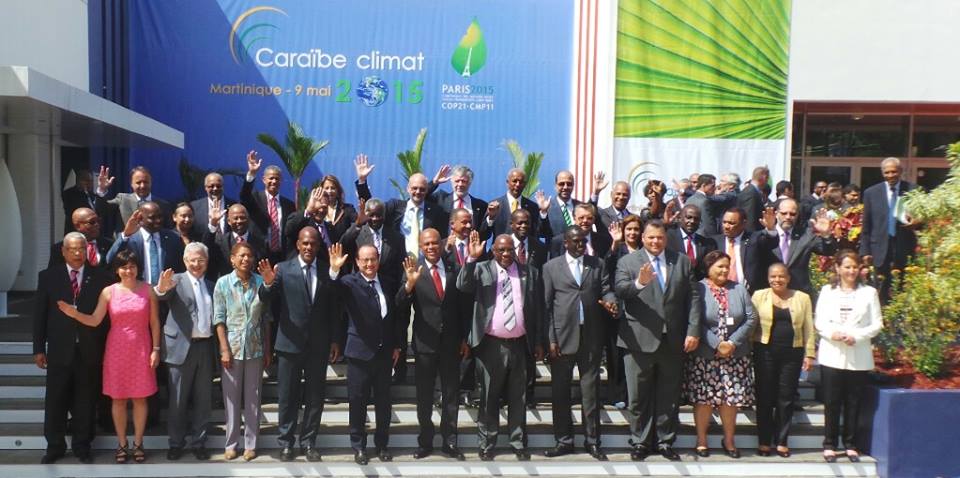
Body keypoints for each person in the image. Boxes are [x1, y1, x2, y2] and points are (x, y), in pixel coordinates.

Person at [56, 249, 160, 464]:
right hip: (116, 350)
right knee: (118, 398)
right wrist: (74, 314)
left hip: (141, 348)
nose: (128, 271)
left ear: (138, 268)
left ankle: (138, 443)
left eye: (132, 266)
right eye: (124, 267)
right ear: (117, 270)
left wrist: (156, 349)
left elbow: (155, 322)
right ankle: (122, 444)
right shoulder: (108, 292)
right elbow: (95, 320)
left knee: (140, 398)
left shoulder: (148, 290)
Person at [614, 220, 701, 462]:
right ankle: (640, 442)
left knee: (669, 396)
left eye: (660, 238)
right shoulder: (627, 261)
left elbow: (693, 298)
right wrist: (640, 283)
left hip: (672, 339)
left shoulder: (681, 261)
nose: (655, 242)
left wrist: (693, 330)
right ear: (642, 238)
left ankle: (665, 441)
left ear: (666, 238)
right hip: (638, 340)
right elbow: (620, 290)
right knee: (638, 396)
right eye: (651, 237)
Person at [457, 232, 544, 462]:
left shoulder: (529, 272)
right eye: (501, 250)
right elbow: (462, 285)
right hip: (491, 345)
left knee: (519, 397)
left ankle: (518, 442)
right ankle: (487, 444)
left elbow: (537, 309)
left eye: (510, 250)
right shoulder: (481, 269)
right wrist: (471, 259)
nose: (506, 254)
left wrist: (538, 341)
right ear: (493, 251)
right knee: (489, 396)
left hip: (520, 344)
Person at [33, 232, 112, 464]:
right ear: (63, 251)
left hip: (89, 349)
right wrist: (39, 348)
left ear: (87, 250)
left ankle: (82, 446)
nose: (77, 253)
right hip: (59, 348)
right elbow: (40, 315)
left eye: (81, 249)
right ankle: (55, 446)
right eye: (72, 249)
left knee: (85, 400)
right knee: (55, 400)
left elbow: (106, 320)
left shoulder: (102, 277)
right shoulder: (48, 276)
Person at [266, 227, 341, 462]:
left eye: (313, 243)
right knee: (287, 396)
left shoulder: (328, 270)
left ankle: (308, 442)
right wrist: (267, 285)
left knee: (315, 396)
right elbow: (266, 300)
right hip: (289, 344)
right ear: (298, 244)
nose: (309, 247)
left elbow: (335, 307)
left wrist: (335, 339)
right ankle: (286, 443)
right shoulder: (283, 269)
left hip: (318, 344)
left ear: (319, 246)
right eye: (305, 243)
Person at [542, 227, 617, 461]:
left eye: (583, 241)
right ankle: (563, 441)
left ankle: (592, 441)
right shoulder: (551, 267)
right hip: (562, 337)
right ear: (565, 243)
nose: (580, 245)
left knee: (590, 392)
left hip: (591, 336)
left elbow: (606, 290)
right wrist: (550, 339)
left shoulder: (597, 264)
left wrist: (611, 301)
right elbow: (546, 306)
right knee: (560, 392)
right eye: (575, 241)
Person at [397, 229, 469, 460]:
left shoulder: (454, 268)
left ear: (442, 243)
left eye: (434, 243)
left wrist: (465, 338)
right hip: (425, 344)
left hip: (451, 343)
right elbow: (399, 304)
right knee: (425, 396)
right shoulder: (413, 270)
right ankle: (425, 442)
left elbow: (463, 307)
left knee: (451, 394)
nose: (430, 247)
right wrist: (409, 285)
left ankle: (450, 441)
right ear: (420, 246)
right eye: (426, 244)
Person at [328, 242, 402, 465]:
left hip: (384, 353)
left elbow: (394, 316)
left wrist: (396, 345)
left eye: (373, 259)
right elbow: (332, 291)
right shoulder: (349, 282)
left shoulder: (387, 282)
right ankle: (359, 446)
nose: (369, 264)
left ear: (378, 261)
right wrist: (334, 270)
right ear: (358, 262)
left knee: (383, 403)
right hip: (359, 353)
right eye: (365, 260)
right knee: (357, 402)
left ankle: (382, 444)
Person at [684, 250, 757, 459]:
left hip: (735, 355)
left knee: (730, 400)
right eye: (720, 266)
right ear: (708, 268)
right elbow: (694, 319)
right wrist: (717, 344)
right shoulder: (698, 288)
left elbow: (751, 318)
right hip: (706, 355)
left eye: (727, 266)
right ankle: (701, 440)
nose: (725, 270)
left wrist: (732, 343)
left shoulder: (739, 289)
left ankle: (729, 440)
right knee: (704, 399)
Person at [815, 250, 883, 463]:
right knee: (832, 401)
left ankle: (850, 444)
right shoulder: (827, 291)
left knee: (853, 401)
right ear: (837, 268)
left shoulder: (869, 292)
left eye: (854, 267)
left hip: (858, 353)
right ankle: (829, 444)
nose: (851, 271)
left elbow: (877, 324)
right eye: (847, 266)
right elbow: (819, 321)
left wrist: (857, 336)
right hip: (832, 353)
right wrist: (832, 334)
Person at [154, 243, 215, 461]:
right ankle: (176, 443)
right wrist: (161, 288)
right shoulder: (176, 280)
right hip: (180, 347)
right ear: (185, 261)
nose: (196, 264)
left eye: (201, 260)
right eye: (192, 260)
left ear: (207, 262)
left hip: (205, 346)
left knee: (203, 399)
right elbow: (161, 295)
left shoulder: (211, 284)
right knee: (178, 400)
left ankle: (199, 442)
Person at [213, 243, 274, 461]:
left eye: (249, 255)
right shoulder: (223, 283)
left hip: (255, 348)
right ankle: (231, 443)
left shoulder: (260, 282)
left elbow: (267, 319)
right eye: (241, 255)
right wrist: (224, 349)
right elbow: (219, 318)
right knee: (231, 399)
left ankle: (251, 444)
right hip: (232, 349)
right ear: (232, 259)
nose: (246, 259)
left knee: (253, 398)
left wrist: (267, 348)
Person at [751, 263, 816, 458]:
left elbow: (808, 328)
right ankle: (764, 441)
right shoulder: (759, 296)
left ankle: (781, 441)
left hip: (792, 354)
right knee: (764, 397)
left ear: (788, 278)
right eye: (773, 276)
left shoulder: (802, 298)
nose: (777, 280)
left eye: (781, 276)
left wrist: (810, 354)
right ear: (768, 278)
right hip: (764, 352)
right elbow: (750, 324)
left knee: (786, 398)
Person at [859, 157, 917, 301]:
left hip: (904, 247)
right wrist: (865, 251)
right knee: (880, 290)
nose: (890, 175)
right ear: (882, 173)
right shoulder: (871, 193)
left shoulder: (913, 190)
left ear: (901, 171)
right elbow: (866, 225)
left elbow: (923, 218)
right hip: (879, 249)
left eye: (894, 172)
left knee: (903, 289)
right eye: (887, 172)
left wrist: (917, 222)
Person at [761, 198, 837, 295]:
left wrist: (826, 234)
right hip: (771, 293)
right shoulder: (764, 236)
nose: (788, 217)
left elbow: (829, 251)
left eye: (792, 214)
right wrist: (769, 231)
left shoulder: (806, 235)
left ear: (797, 215)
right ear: (776, 214)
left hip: (799, 293)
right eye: (784, 213)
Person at [105, 202, 186, 285]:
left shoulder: (173, 238)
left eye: (160, 216)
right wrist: (126, 235)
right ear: (140, 219)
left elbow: (182, 267)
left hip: (168, 290)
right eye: (152, 218)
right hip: (138, 290)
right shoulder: (129, 239)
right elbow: (109, 260)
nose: (158, 220)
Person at [241, 151, 296, 265]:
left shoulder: (289, 205)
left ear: (281, 181)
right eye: (271, 178)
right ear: (264, 179)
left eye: (277, 178)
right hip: (259, 255)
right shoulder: (255, 198)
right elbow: (244, 196)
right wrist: (251, 174)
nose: (274, 181)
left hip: (282, 257)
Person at [710, 207, 778, 294]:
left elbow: (771, 242)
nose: (726, 226)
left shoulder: (754, 239)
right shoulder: (714, 242)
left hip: (750, 294)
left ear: (743, 223)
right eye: (724, 222)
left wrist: (771, 229)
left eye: (731, 223)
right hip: (722, 293)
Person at [94, 165, 173, 230]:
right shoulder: (123, 199)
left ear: (151, 182)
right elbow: (101, 210)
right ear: (131, 184)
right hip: (126, 243)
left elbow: (168, 230)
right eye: (138, 183)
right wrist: (102, 189)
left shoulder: (162, 205)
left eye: (146, 182)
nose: (142, 186)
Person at [203, 204, 268, 279]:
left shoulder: (260, 243)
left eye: (242, 218)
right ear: (229, 221)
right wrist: (213, 224)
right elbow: (206, 248)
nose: (239, 221)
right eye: (236, 218)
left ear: (248, 219)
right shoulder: (221, 241)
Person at [428, 165, 491, 240]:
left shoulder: (481, 206)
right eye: (457, 181)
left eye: (464, 181)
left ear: (470, 183)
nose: (460, 184)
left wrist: (491, 219)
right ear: (451, 181)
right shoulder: (440, 199)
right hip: (445, 246)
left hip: (469, 246)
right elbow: (421, 197)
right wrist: (434, 183)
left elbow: (485, 234)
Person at [48, 208, 113, 270]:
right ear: (78, 226)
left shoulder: (110, 245)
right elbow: (53, 274)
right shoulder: (60, 249)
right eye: (92, 222)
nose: (97, 225)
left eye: (98, 221)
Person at [488, 168, 544, 238]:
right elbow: (485, 234)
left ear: (525, 184)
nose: (518, 184)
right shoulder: (495, 206)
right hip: (502, 244)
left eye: (521, 182)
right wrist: (491, 218)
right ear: (507, 182)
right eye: (514, 181)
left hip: (524, 245)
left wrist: (543, 212)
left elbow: (539, 232)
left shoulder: (532, 207)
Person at [665, 204, 718, 277]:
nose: (692, 221)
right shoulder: (668, 238)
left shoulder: (706, 244)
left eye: (696, 219)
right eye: (689, 217)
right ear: (680, 218)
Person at [189, 172, 234, 239]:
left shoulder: (233, 205)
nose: (215, 188)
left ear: (223, 187)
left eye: (218, 186)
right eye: (211, 186)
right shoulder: (194, 207)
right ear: (205, 187)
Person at [317, 174, 359, 243]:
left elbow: (359, 222)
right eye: (326, 188)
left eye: (332, 188)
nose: (329, 191)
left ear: (338, 191)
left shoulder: (347, 209)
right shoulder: (317, 211)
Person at [61, 169, 104, 234]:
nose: (89, 183)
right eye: (86, 181)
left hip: (92, 232)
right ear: (79, 181)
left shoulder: (91, 194)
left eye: (91, 181)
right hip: (76, 232)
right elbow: (72, 209)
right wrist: (83, 192)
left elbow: (98, 209)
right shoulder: (69, 193)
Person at [738, 166, 770, 232]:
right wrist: (751, 236)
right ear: (764, 177)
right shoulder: (750, 193)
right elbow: (749, 218)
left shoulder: (753, 191)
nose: (767, 181)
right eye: (767, 178)